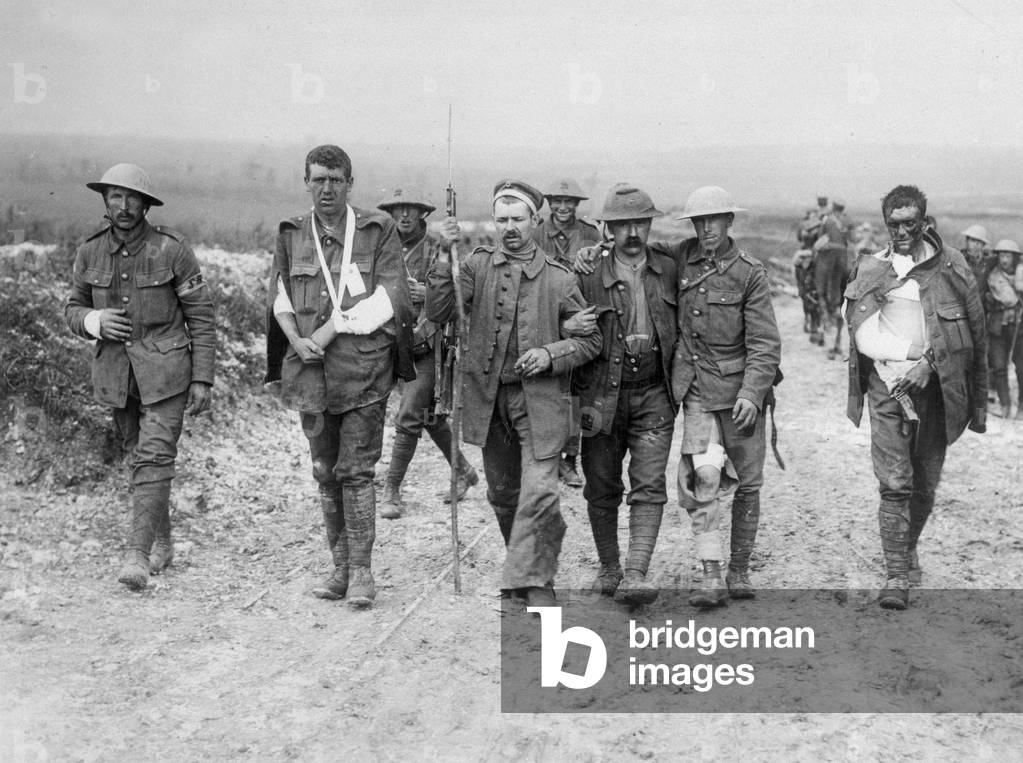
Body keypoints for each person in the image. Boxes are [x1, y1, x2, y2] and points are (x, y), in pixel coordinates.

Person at [572, 186, 782, 606]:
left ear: (730, 222)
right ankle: (708, 574)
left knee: (747, 481)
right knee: (701, 480)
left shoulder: (744, 272)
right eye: (699, 222)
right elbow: (626, 253)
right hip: (693, 393)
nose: (707, 229)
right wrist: (591, 251)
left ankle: (736, 570)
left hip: (733, 393)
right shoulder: (676, 257)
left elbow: (765, 343)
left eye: (715, 220)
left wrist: (754, 394)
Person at [425, 180, 602, 607]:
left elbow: (590, 340)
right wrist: (441, 255)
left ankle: (538, 582)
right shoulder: (474, 266)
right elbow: (438, 311)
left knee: (540, 491)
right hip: (488, 399)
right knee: (503, 494)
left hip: (539, 402)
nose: (509, 228)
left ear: (534, 221)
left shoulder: (559, 279)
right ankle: (522, 568)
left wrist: (549, 352)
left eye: (517, 220)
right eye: (501, 220)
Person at [265, 145, 414, 609]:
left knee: (356, 471)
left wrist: (328, 331)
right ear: (306, 182)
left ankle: (363, 574)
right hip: (310, 374)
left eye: (335, 179)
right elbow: (280, 294)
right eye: (317, 179)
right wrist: (294, 338)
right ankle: (340, 568)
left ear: (350, 183)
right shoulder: (292, 232)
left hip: (363, 371)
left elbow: (390, 298)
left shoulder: (377, 230)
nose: (326, 188)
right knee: (323, 471)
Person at [65, 163, 215, 591]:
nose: (125, 206)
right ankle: (162, 539)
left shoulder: (173, 250)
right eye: (116, 196)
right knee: (140, 458)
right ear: (105, 201)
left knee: (154, 457)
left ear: (146, 205)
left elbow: (201, 317)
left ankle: (138, 554)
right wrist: (93, 319)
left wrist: (202, 378)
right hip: (117, 376)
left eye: (133, 198)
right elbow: (71, 308)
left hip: (168, 373)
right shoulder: (89, 251)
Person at [845, 185, 987, 610]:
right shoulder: (873, 268)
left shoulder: (953, 267)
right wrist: (908, 357)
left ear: (925, 221)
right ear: (886, 224)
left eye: (910, 223)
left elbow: (975, 337)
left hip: (939, 392)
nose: (902, 231)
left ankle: (907, 548)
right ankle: (895, 575)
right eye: (894, 224)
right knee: (895, 484)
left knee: (924, 485)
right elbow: (860, 332)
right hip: (888, 387)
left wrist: (937, 369)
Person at [569, 184, 677, 605]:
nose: (632, 232)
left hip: (654, 392)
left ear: (650, 224)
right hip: (599, 395)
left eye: (640, 222)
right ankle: (610, 566)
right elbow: (563, 314)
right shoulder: (587, 271)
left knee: (649, 484)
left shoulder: (669, 266)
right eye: (622, 224)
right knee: (600, 483)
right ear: (608, 229)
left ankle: (635, 573)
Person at [375, 185, 477, 519]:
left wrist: (429, 291)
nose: (404, 215)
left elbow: (458, 292)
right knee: (428, 415)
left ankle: (391, 490)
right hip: (388, 338)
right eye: (397, 209)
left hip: (426, 341)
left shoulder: (437, 247)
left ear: (423, 213)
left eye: (411, 209)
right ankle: (462, 470)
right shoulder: (381, 246)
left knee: (409, 413)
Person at [530, 177, 602, 487]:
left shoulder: (589, 234)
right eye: (556, 201)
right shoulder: (534, 234)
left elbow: (599, 275)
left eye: (569, 201)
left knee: (577, 392)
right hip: (544, 317)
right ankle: (545, 456)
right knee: (545, 391)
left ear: (577, 204)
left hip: (580, 317)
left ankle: (570, 459)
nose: (562, 207)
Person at [987, 239, 1023, 420]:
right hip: (998, 328)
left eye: (1008, 255)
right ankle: (1005, 405)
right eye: (1001, 255)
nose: (1004, 259)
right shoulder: (993, 277)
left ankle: (1022, 406)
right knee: (1000, 367)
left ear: (1015, 257)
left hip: (1020, 328)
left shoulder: (1021, 274)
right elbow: (1007, 300)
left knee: (1021, 368)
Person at [815, 198, 852, 359]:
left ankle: (828, 339)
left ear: (832, 207)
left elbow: (819, 237)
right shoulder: (846, 220)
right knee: (840, 297)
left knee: (821, 291)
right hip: (843, 258)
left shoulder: (827, 219)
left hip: (828, 256)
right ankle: (837, 342)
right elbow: (850, 240)